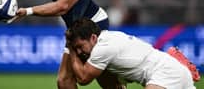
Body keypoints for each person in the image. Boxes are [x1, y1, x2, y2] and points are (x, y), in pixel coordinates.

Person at [65, 18, 197, 89]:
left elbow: (83, 78)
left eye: (80, 46)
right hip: (172, 70)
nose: (79, 52)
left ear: (93, 38)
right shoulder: (111, 38)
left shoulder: (102, 49)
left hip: (165, 73)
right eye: (76, 49)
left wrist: (70, 50)